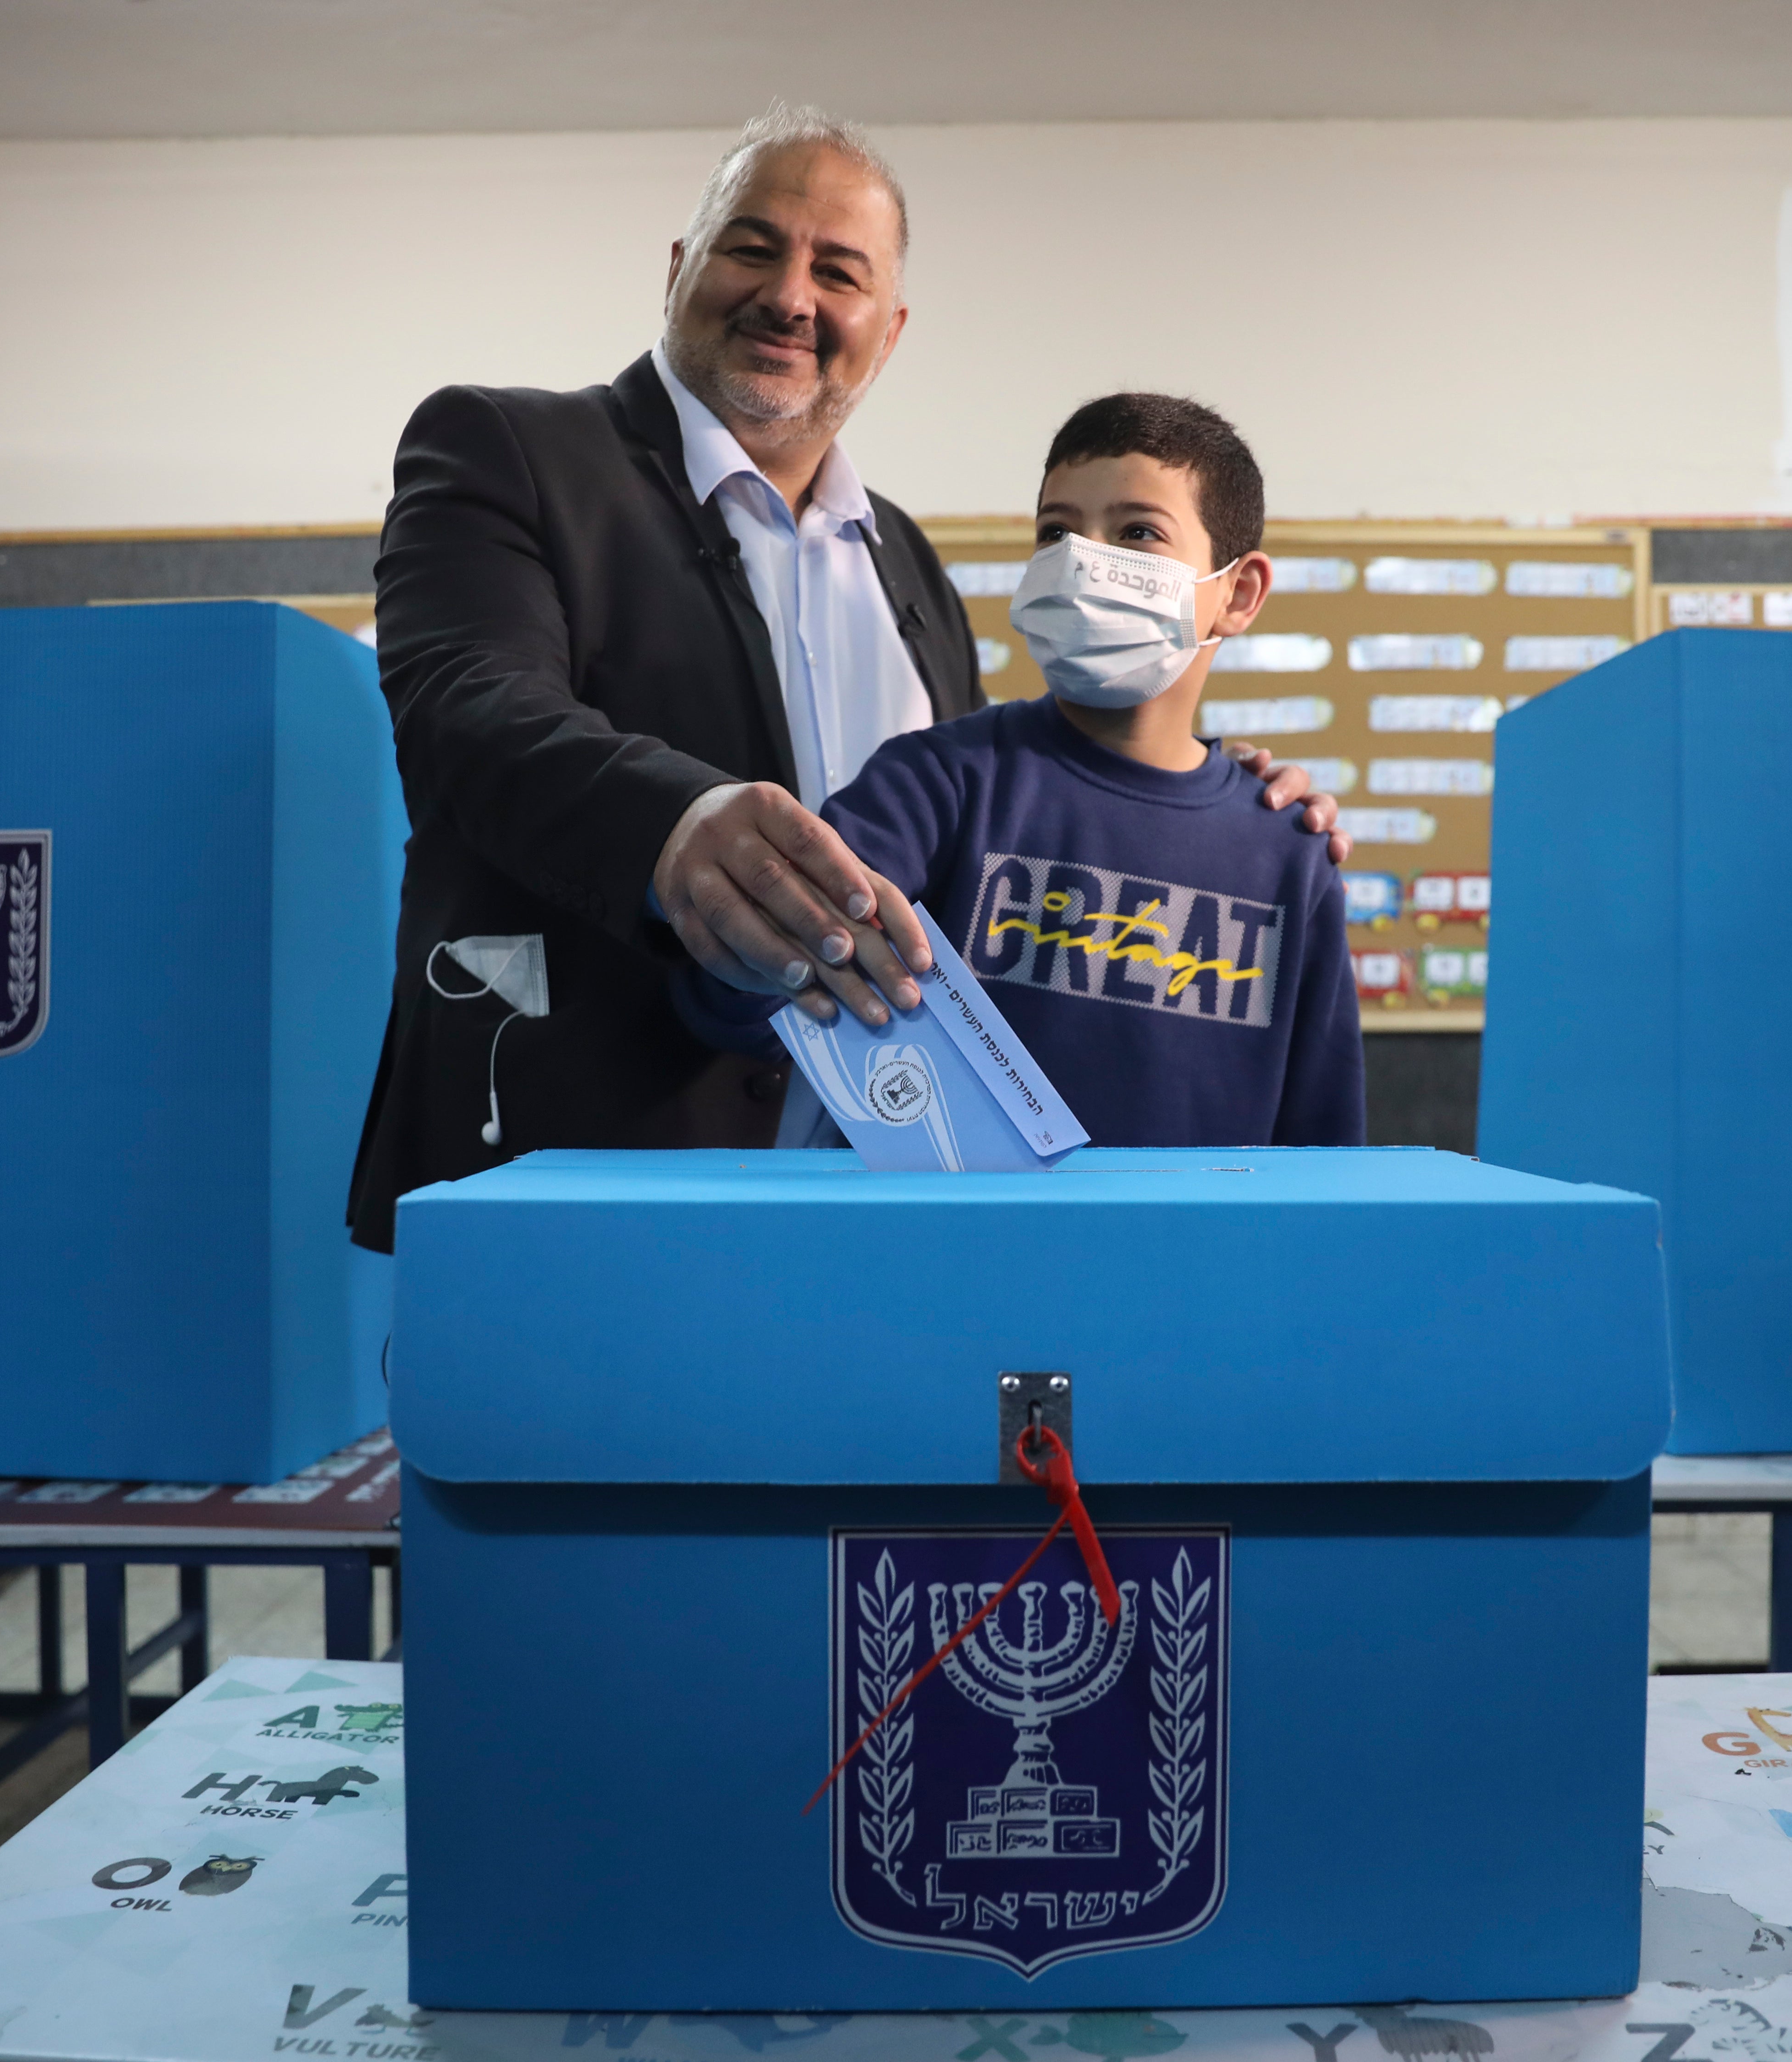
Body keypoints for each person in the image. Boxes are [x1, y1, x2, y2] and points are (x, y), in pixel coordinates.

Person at [347, 104, 1342, 1247]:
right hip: (590, 1179)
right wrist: (678, 825)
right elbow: (468, 706)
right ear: (679, 269)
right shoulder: (509, 449)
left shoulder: (908, 561)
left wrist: (1222, 793)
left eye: (840, 271)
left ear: (891, 328)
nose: (792, 297)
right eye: (753, 247)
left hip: (879, 1209)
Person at [695, 394, 1366, 1148]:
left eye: (1139, 531)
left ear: (1237, 595)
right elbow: (738, 992)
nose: (1084, 559)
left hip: (1196, 1259)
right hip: (957, 1252)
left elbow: (1326, 1137)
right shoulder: (940, 782)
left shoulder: (1288, 847)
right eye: (1057, 531)